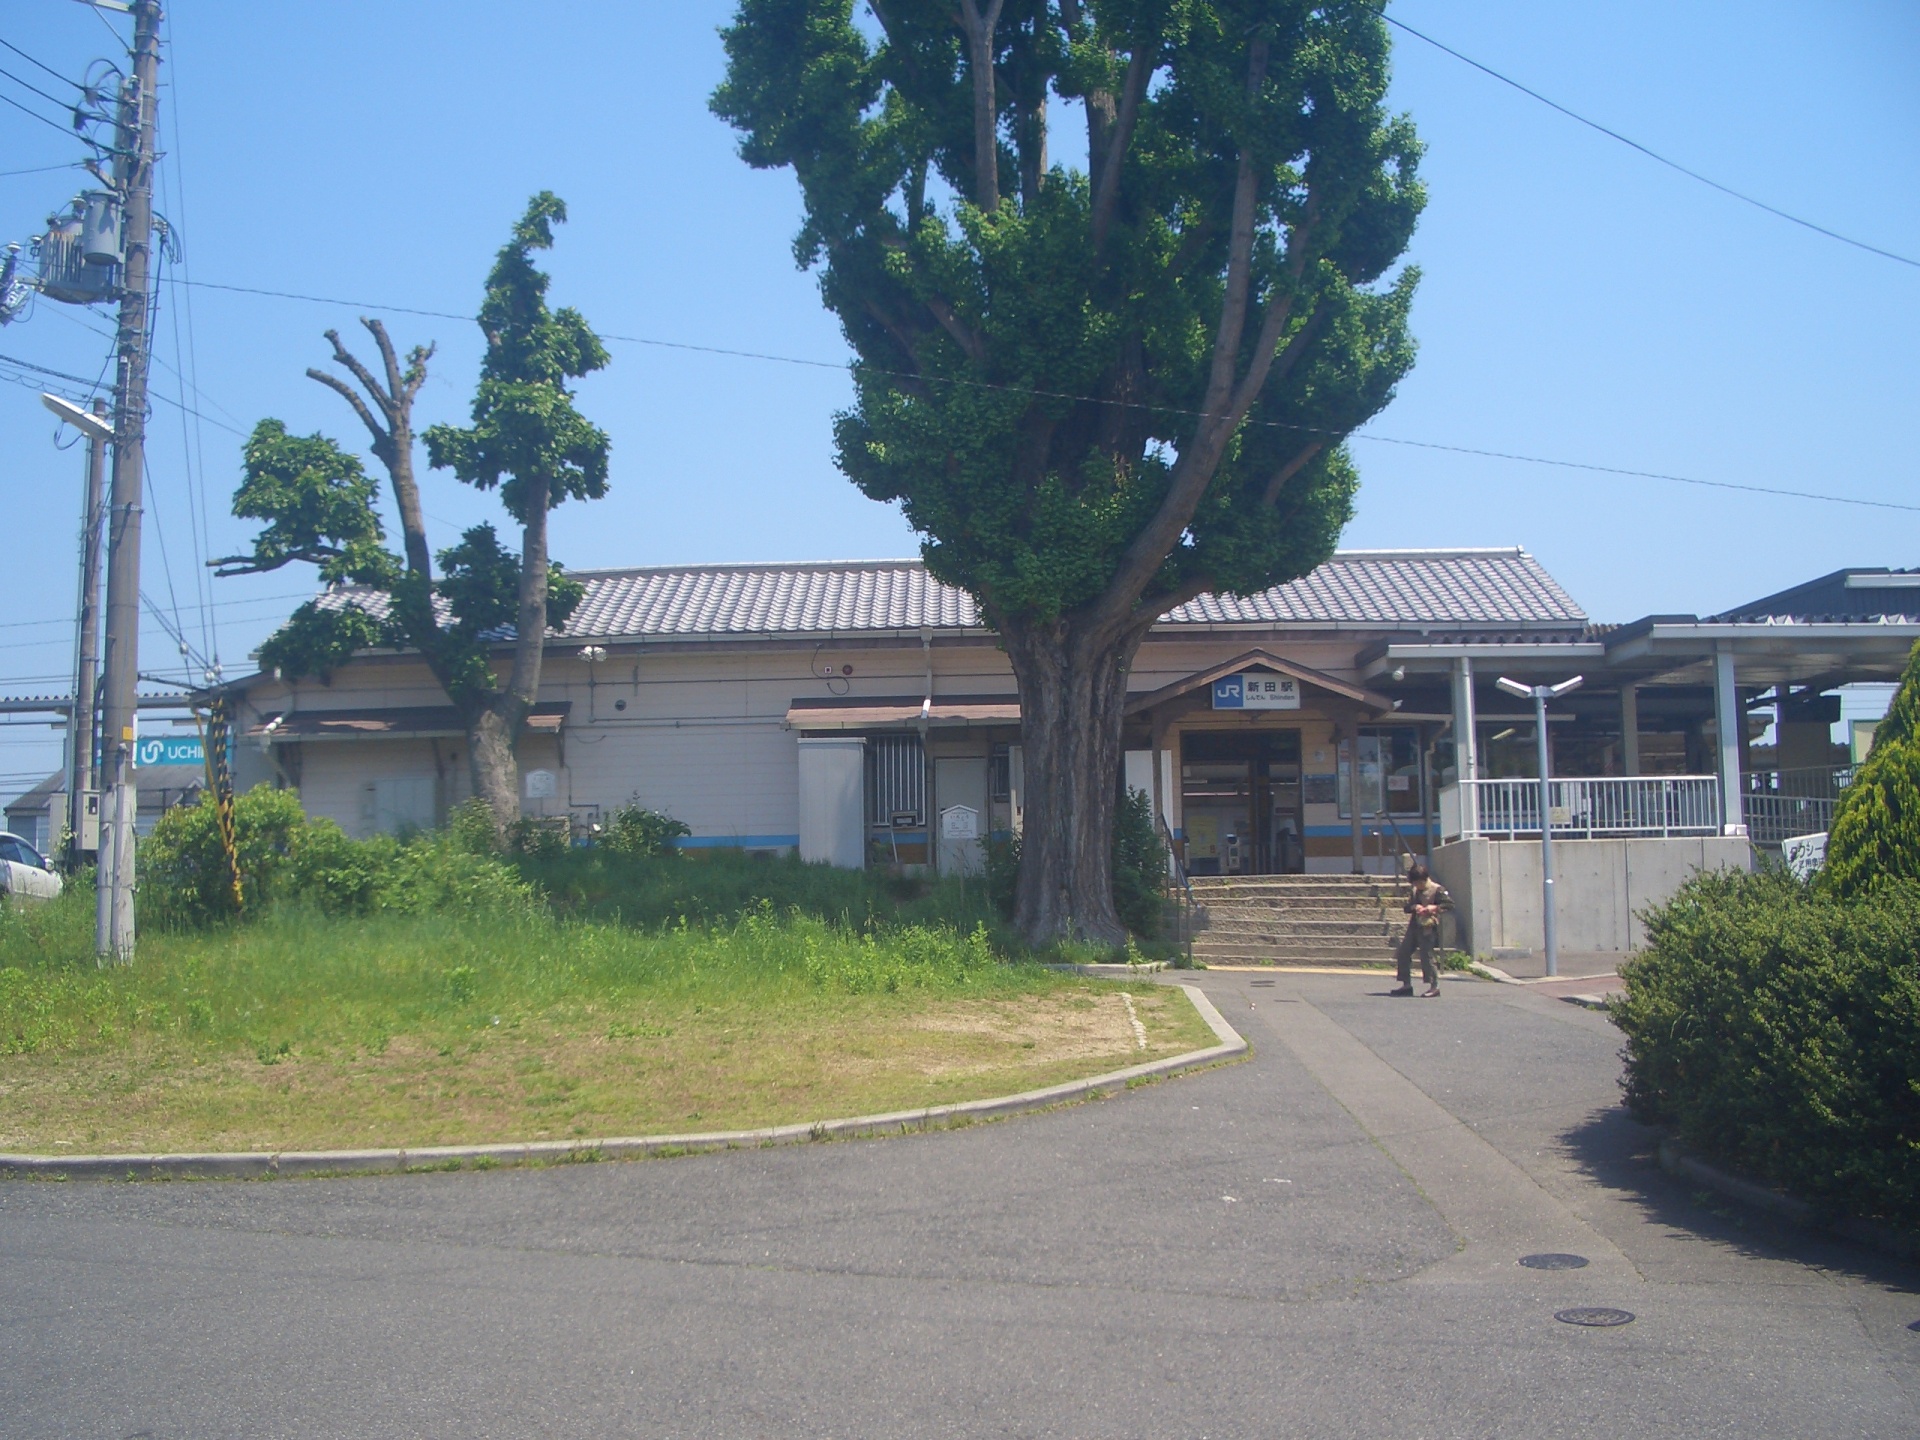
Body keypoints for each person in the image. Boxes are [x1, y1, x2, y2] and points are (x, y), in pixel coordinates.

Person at [1391, 861, 1452, 998]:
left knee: (1427, 956)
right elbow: (1407, 907)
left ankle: (1434, 986)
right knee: (1403, 952)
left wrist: (1434, 908)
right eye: (1414, 883)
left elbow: (1449, 904)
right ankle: (1406, 984)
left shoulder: (1437, 889)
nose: (1416, 886)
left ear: (1424, 879)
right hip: (1415, 925)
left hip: (1429, 927)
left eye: (1418, 882)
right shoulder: (1414, 891)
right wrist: (1415, 907)